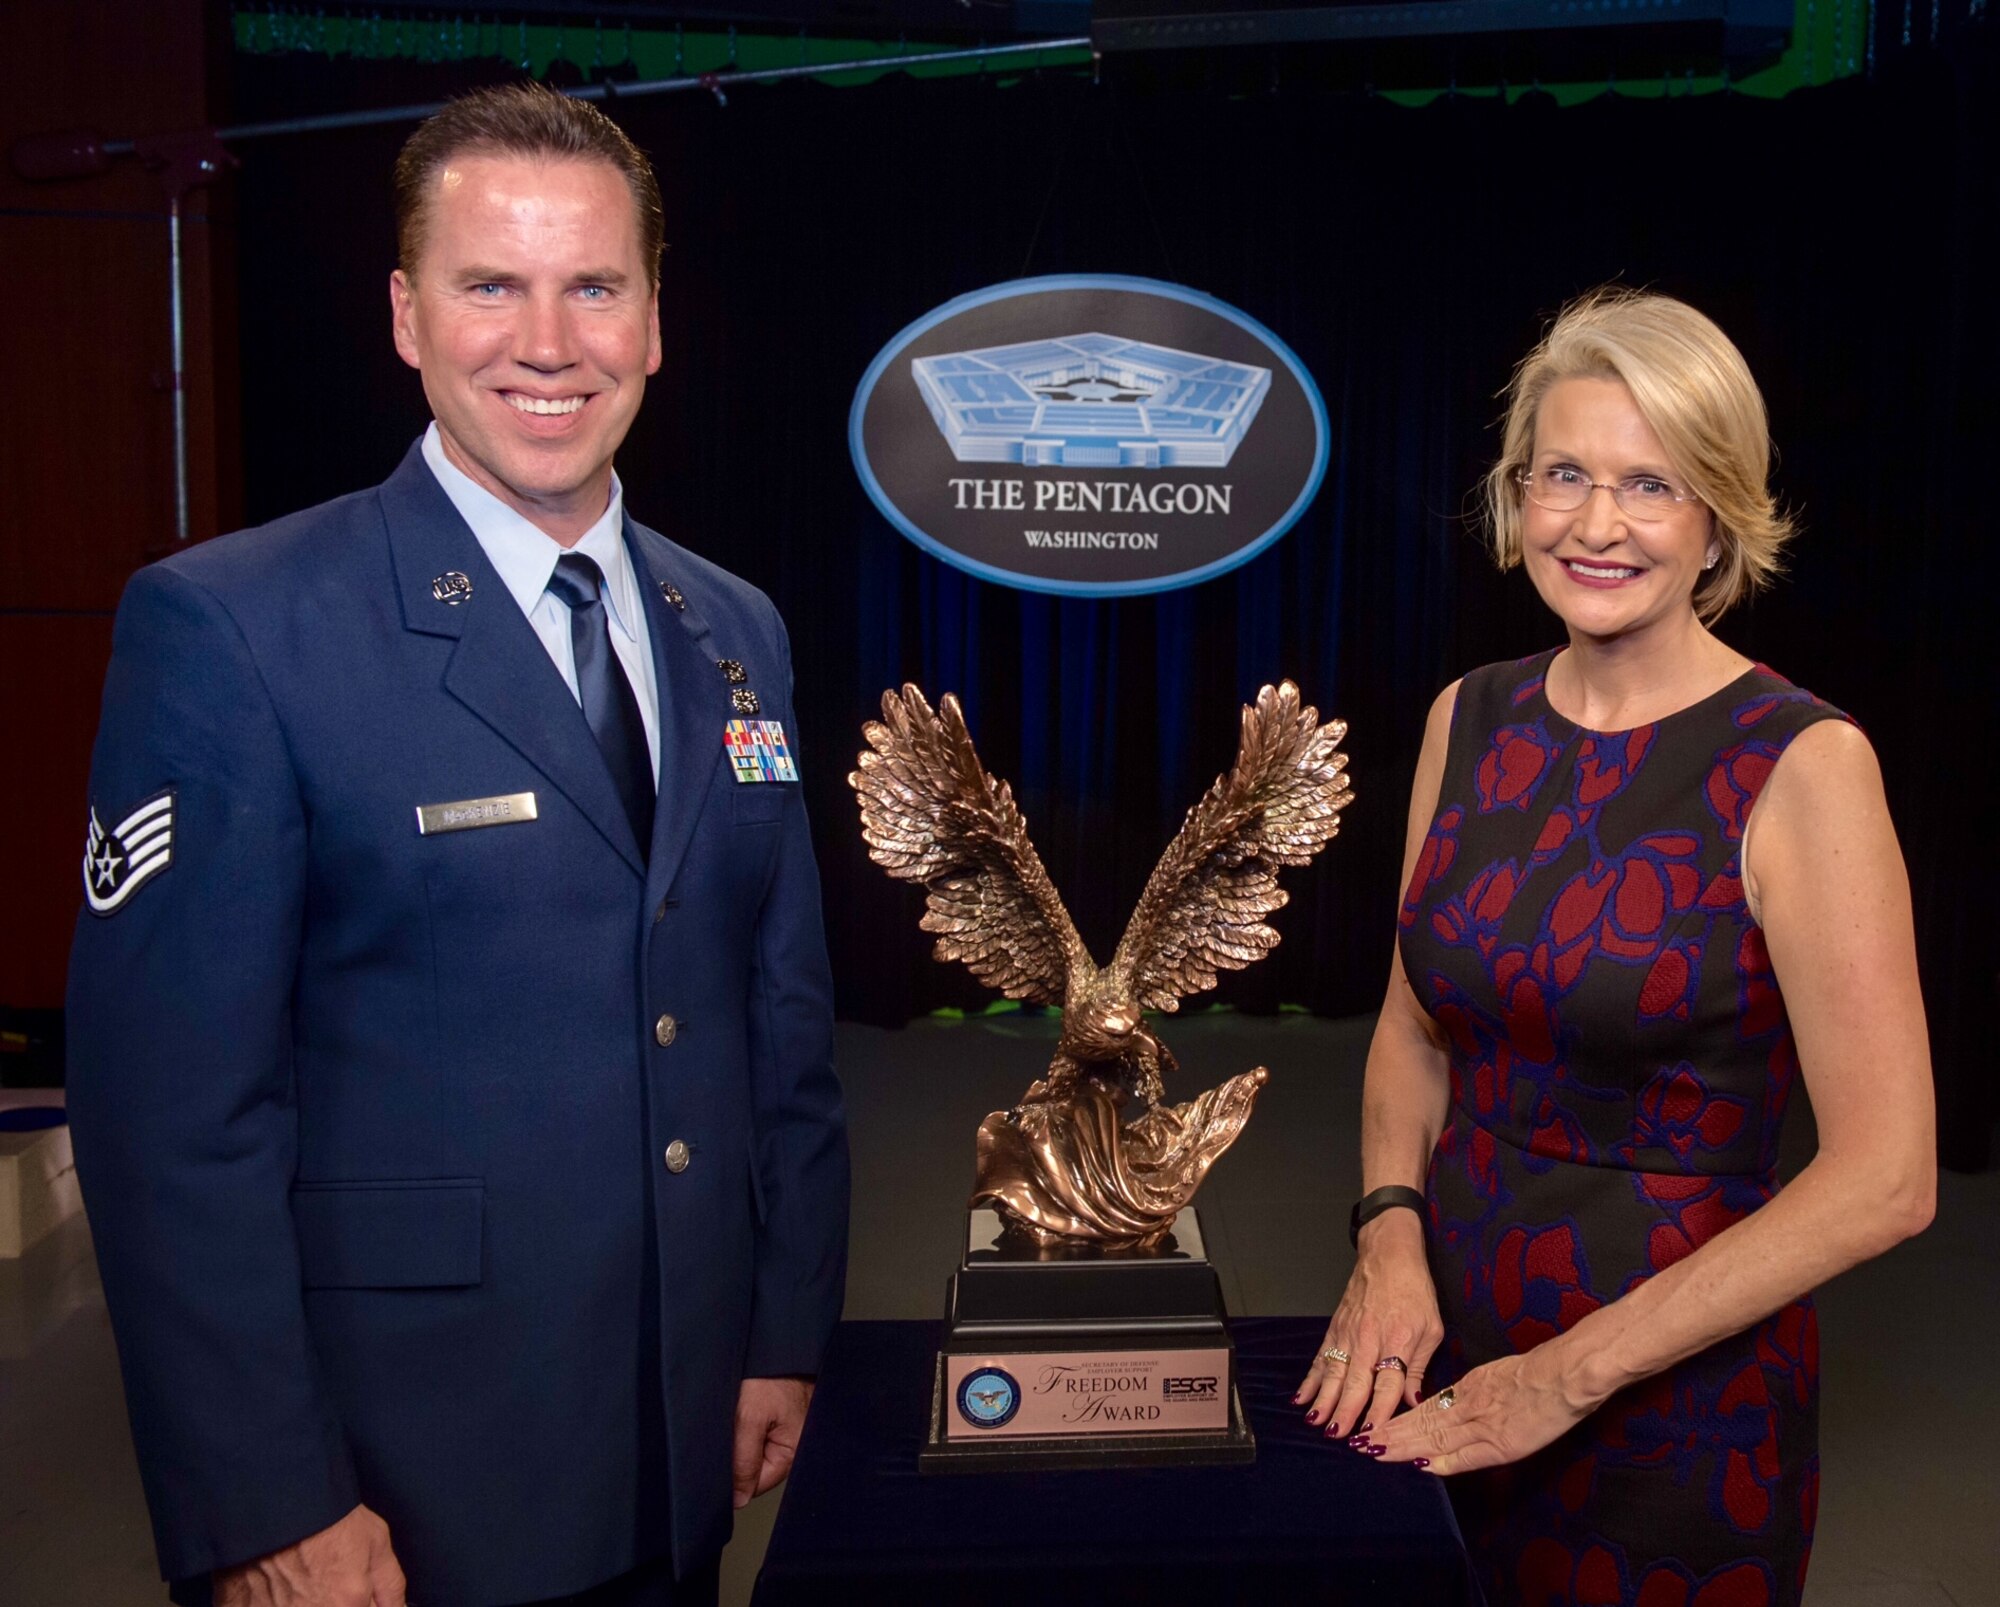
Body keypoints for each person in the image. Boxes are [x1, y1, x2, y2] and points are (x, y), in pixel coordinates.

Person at [67, 82, 848, 1607]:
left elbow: (780, 1021)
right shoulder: (236, 627)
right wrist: (264, 1502)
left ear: (654, 321)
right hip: (398, 1502)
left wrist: (782, 1332)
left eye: (594, 288)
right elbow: (174, 1126)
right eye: (490, 285)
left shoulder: (730, 624)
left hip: (682, 1451)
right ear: (407, 316)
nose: (548, 343)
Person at [1296, 289, 1934, 1606]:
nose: (1596, 524)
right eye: (1565, 476)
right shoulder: (1466, 720)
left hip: (1676, 1416)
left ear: (1719, 517)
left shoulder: (1802, 764)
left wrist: (1566, 1377)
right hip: (1443, 1353)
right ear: (1515, 496)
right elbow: (1414, 1030)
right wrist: (1389, 1232)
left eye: (1651, 485)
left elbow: (1886, 1178)